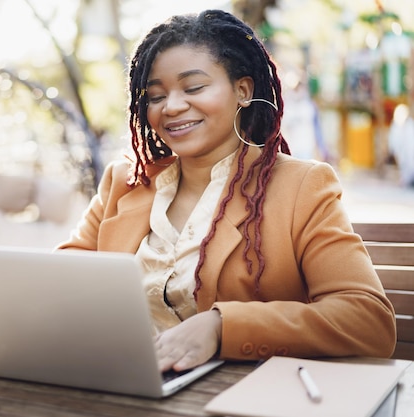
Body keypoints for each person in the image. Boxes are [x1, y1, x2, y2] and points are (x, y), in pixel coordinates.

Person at [57, 9, 396, 373]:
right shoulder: (124, 182)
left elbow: (368, 319)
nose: (171, 106)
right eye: (155, 96)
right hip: (121, 381)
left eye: (194, 87)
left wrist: (222, 326)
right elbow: (53, 283)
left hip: (241, 395)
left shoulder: (301, 187)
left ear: (243, 90)